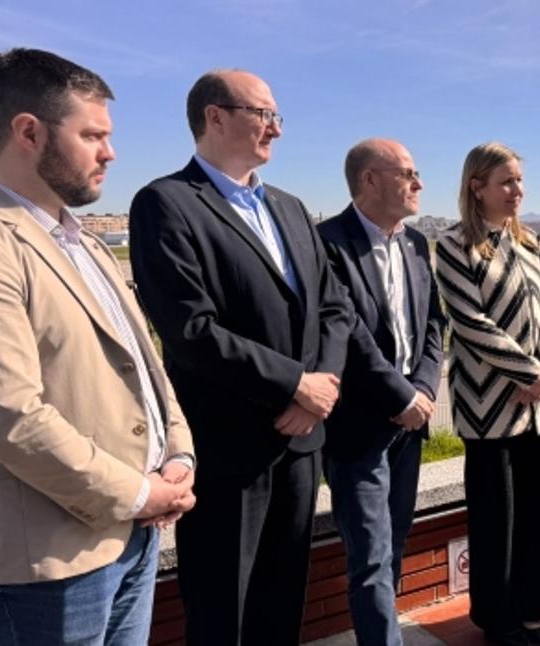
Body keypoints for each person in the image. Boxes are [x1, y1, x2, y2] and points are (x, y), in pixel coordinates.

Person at [129, 70, 413, 645]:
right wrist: (293, 386)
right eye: (264, 115)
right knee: (222, 611)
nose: (276, 130)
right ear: (215, 117)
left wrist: (321, 387)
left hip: (300, 447)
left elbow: (334, 308)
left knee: (283, 605)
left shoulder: (289, 207)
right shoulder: (166, 204)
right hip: (232, 447)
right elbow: (191, 329)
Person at [0, 48, 195, 645]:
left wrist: (179, 457)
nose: (110, 152)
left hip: (132, 536)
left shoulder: (81, 242)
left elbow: (146, 366)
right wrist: (140, 493)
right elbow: (9, 419)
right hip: (50, 564)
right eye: (92, 135)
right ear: (29, 132)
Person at [317, 138, 446, 646]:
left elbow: (433, 323)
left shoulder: (415, 243)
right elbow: (347, 333)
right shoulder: (327, 242)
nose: (419, 184)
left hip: (411, 425)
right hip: (361, 428)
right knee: (369, 555)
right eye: (408, 173)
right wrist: (402, 397)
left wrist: (425, 388)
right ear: (369, 180)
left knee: (394, 545)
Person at [434, 142, 540, 646]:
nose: (517, 191)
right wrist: (525, 371)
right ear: (477, 186)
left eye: (519, 182)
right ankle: (499, 621)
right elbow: (469, 322)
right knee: (497, 524)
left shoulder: (528, 242)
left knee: (539, 520)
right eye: (506, 182)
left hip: (539, 409)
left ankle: (532, 613)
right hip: (492, 411)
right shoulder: (453, 245)